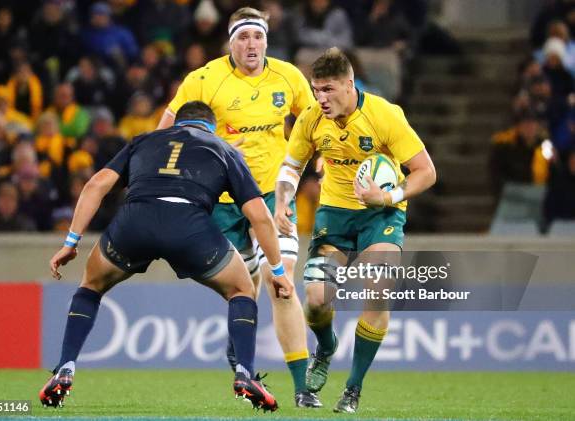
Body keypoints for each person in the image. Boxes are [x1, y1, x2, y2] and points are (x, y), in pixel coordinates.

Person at [39, 101, 293, 412]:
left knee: (90, 287)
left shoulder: (144, 140)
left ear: (177, 124)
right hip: (189, 228)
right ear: (211, 126)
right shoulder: (224, 149)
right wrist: (278, 270)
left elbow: (96, 185)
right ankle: (244, 373)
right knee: (242, 289)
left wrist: (71, 242)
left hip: (135, 222)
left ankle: (65, 367)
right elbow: (260, 217)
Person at [156, 7, 320, 408]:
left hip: (271, 197)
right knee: (243, 290)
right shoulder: (204, 80)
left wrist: (323, 159)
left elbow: (316, 120)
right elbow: (165, 134)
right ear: (230, 41)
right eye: (243, 37)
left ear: (267, 40)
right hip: (223, 201)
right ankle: (241, 356)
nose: (252, 45)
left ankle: (302, 389)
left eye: (258, 37)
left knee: (281, 283)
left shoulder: (288, 77)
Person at [275, 48, 436, 413]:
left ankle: (353, 387)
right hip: (334, 213)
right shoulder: (313, 119)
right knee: (316, 300)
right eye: (316, 90)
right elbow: (291, 166)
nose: (321, 98)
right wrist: (283, 201)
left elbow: (426, 171)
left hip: (381, 214)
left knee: (379, 290)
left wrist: (389, 195)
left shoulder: (384, 115)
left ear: (349, 84)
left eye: (328, 90)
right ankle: (327, 347)